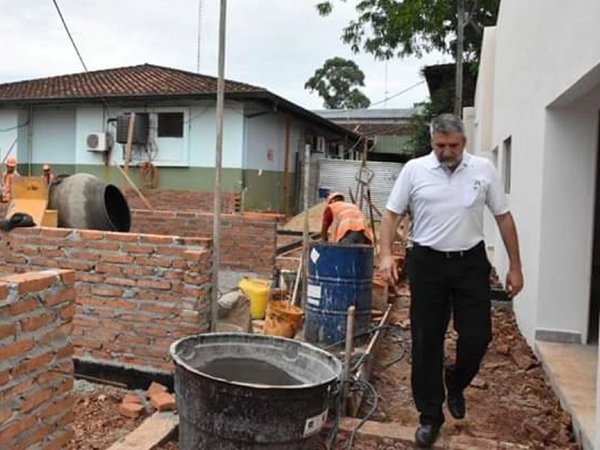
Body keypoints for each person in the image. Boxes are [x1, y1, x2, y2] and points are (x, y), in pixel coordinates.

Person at [379, 114, 523, 448]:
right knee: (426, 342)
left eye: (453, 146)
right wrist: (386, 254)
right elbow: (390, 215)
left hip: (470, 263)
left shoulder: (484, 170)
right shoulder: (414, 170)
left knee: (477, 337)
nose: (446, 152)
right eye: (440, 146)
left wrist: (515, 266)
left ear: (464, 142)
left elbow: (504, 218)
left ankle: (456, 384)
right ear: (432, 142)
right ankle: (430, 416)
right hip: (426, 263)